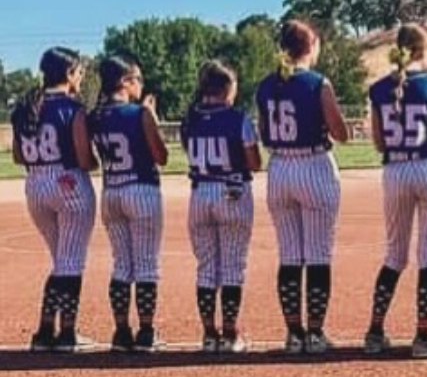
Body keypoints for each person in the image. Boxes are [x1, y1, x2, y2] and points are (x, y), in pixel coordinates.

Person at [256, 20, 349, 355]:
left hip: (280, 167)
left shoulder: (267, 85)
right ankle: (315, 332)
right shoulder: (317, 83)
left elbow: (266, 135)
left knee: (290, 256)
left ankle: (293, 333)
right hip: (313, 166)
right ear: (310, 46)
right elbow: (340, 132)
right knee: (318, 254)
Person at [365, 23, 427, 359]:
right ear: (423, 49)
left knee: (394, 255)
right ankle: (422, 335)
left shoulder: (378, 89)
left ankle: (375, 331)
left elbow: (377, 142)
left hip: (395, 170)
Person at [11, 48, 98, 352]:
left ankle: (45, 331)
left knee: (61, 260)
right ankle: (68, 334)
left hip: (35, 183)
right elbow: (85, 159)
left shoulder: (25, 106)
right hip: (68, 182)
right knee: (71, 261)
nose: (81, 78)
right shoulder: (72, 108)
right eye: (80, 73)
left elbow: (19, 155)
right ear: (70, 73)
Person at [181, 60, 262, 353]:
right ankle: (230, 333)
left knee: (205, 267)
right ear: (227, 87)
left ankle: (208, 334)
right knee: (231, 266)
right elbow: (254, 162)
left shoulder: (190, 117)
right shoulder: (237, 117)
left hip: (200, 192)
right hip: (232, 190)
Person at [88, 56, 169, 351]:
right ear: (125, 82)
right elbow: (161, 157)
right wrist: (152, 117)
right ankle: (146, 331)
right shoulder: (138, 114)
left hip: (112, 191)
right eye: (137, 78)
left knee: (122, 264)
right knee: (146, 264)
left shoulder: (94, 116)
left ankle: (122, 331)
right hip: (142, 189)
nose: (141, 84)